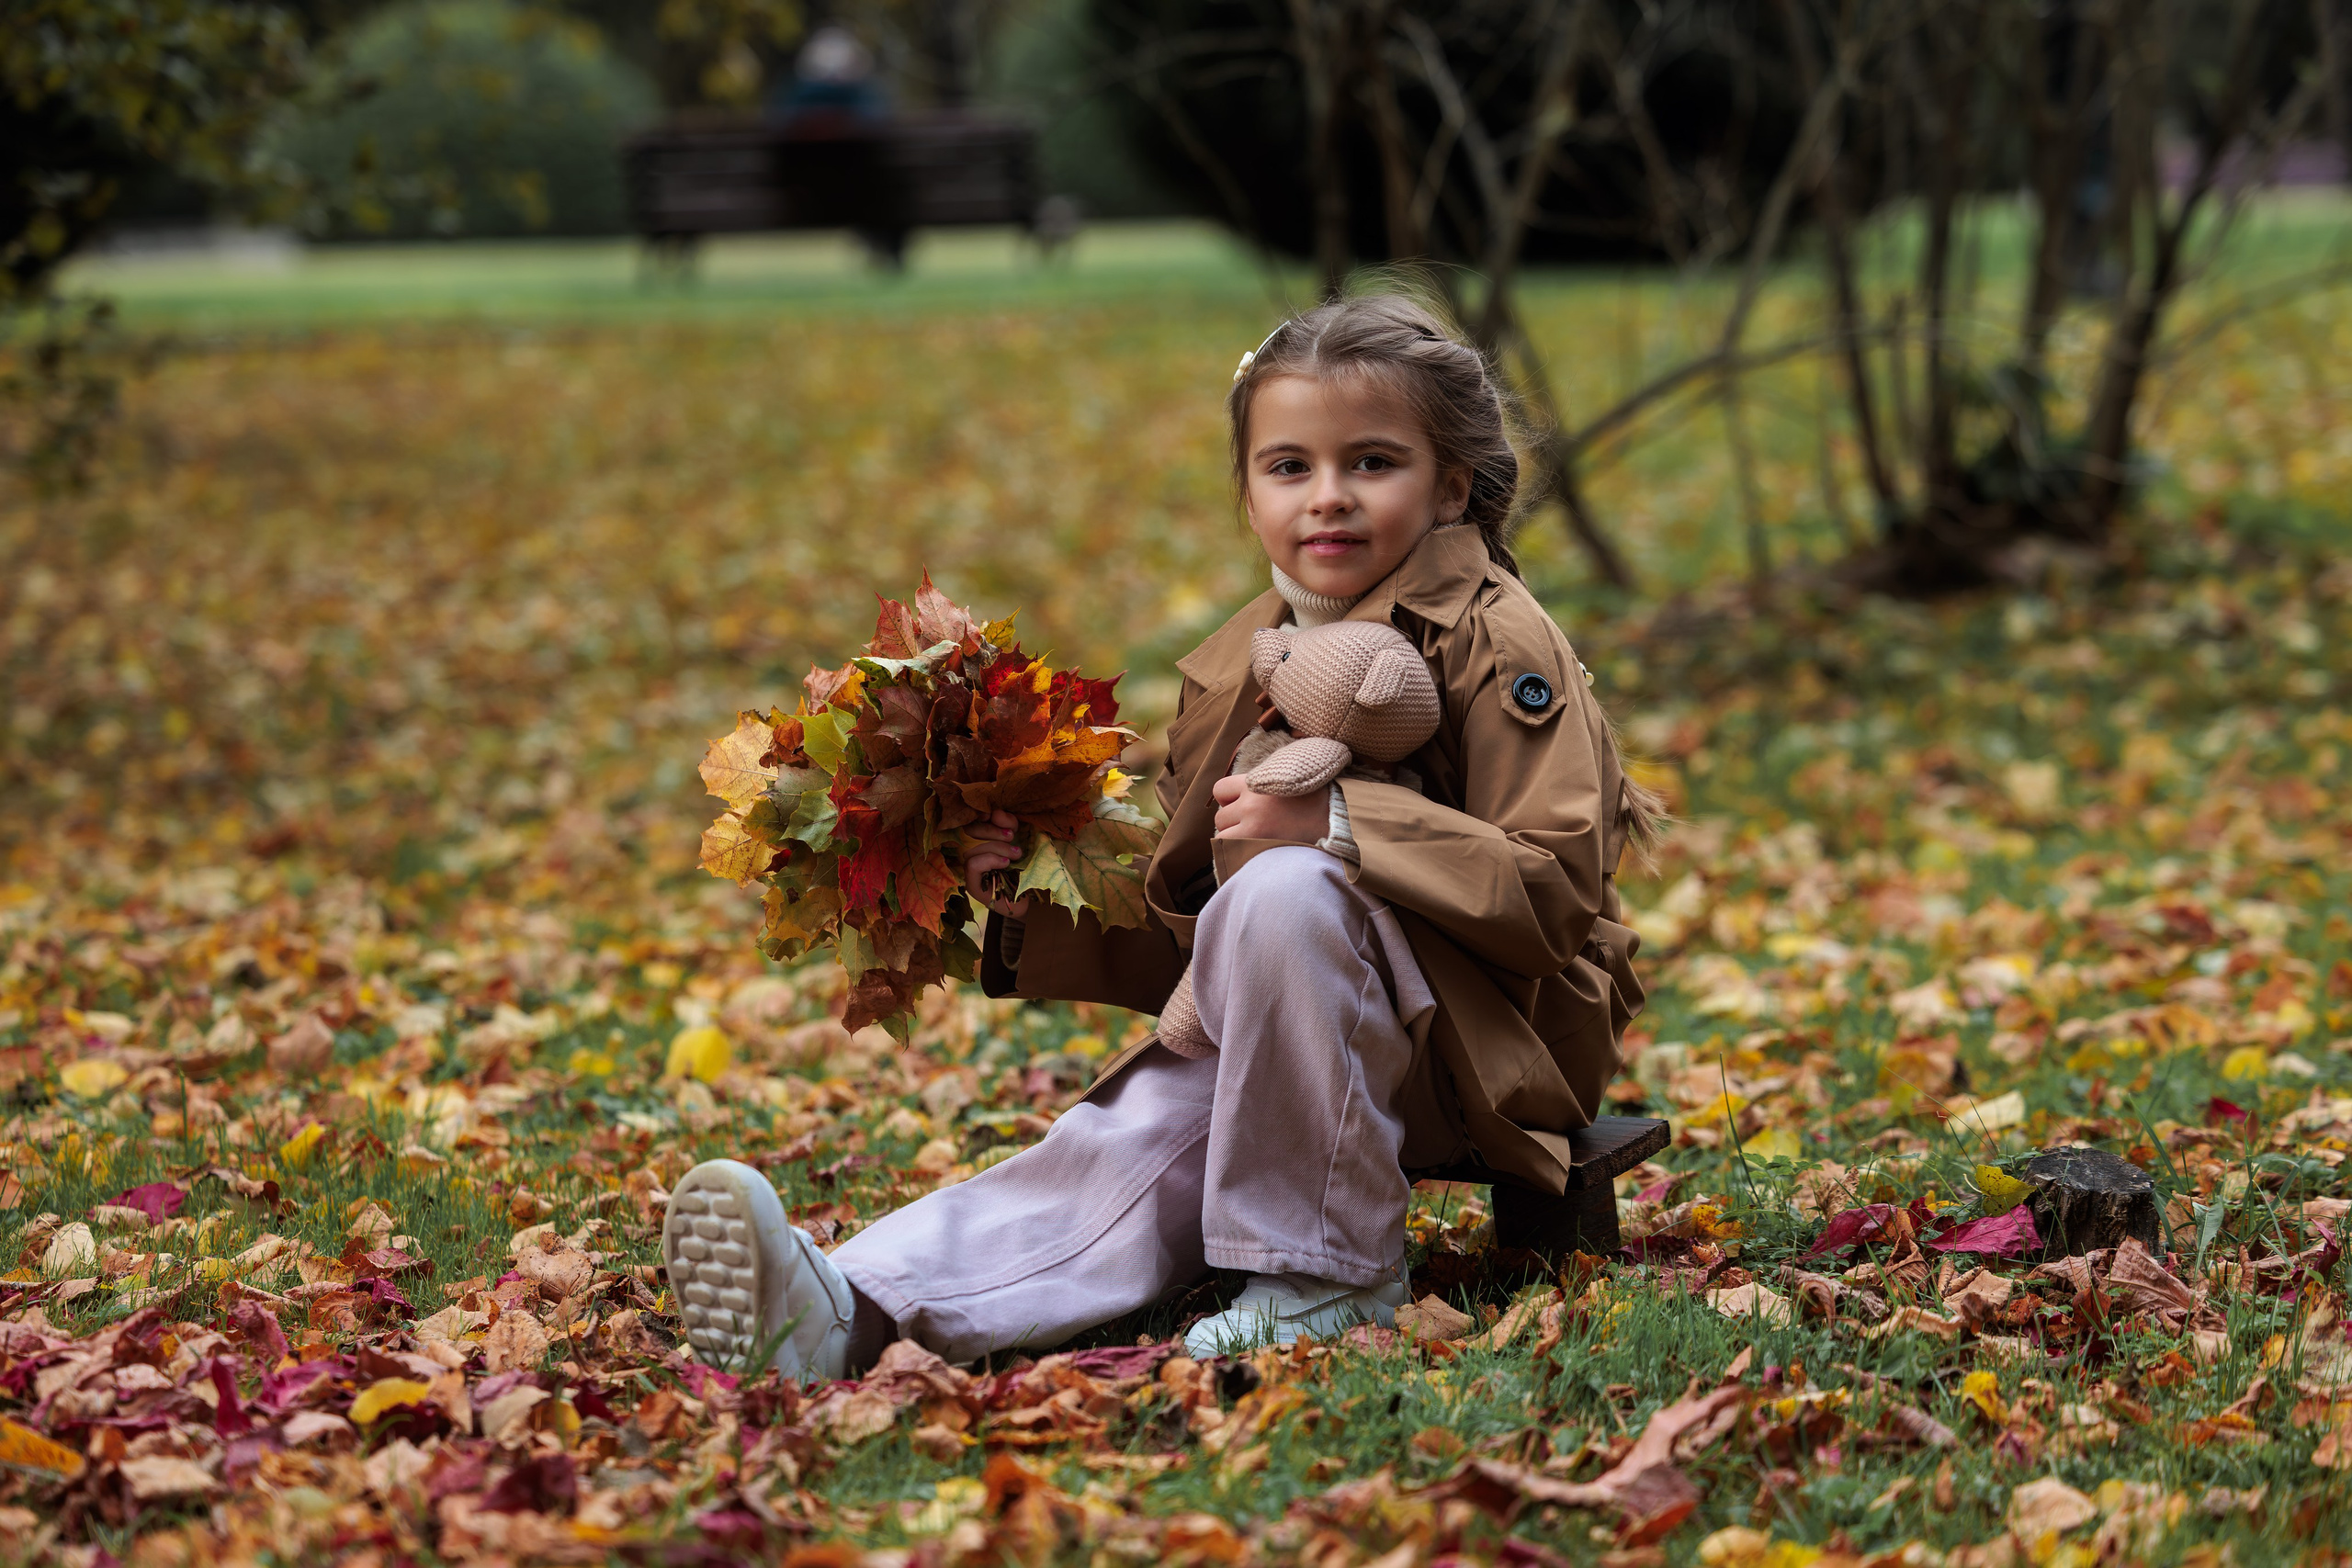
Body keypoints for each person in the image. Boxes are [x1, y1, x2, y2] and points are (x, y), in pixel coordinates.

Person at [662, 291, 1659, 1379]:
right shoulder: (1245, 659)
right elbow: (1200, 910)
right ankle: (847, 1306)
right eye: (1288, 467)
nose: (1327, 498)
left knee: (1289, 890)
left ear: (1450, 484)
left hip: (1488, 1050)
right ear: (1248, 493)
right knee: (1118, 1153)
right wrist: (1033, 888)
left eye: (1371, 463)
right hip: (1297, 1046)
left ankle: (1328, 1273)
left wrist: (1334, 820)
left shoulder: (1497, 638)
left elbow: (1553, 891)